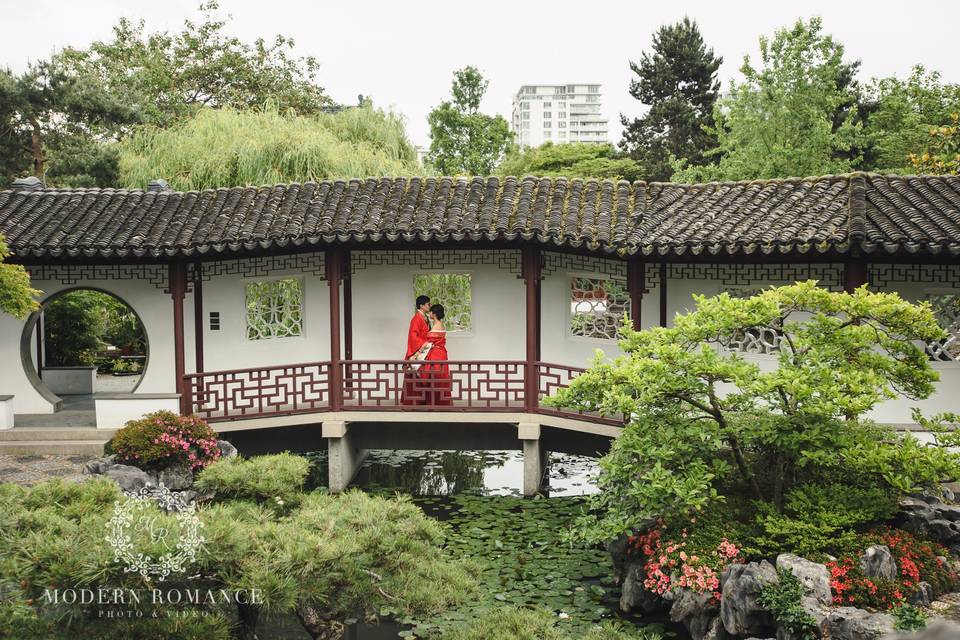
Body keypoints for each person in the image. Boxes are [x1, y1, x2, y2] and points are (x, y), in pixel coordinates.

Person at [401, 295, 432, 405]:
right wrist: (425, 344)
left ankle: (423, 399)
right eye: (428, 304)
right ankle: (414, 400)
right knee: (416, 374)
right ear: (421, 305)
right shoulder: (416, 319)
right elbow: (413, 336)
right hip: (418, 350)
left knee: (425, 374)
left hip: (425, 349)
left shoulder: (425, 317)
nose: (430, 306)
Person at [419, 303, 452, 406]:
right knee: (440, 377)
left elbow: (429, 342)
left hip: (436, 354)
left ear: (434, 313)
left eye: (431, 312)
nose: (429, 314)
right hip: (441, 353)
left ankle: (434, 402)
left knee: (434, 377)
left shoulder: (436, 326)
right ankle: (441, 400)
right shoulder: (440, 324)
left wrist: (419, 351)